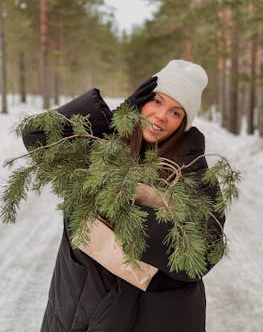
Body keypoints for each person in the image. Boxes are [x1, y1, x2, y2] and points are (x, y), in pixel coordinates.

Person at [22, 59, 225, 332]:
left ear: (183, 124)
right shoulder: (102, 146)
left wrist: (131, 207)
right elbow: (37, 137)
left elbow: (203, 255)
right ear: (140, 101)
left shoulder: (192, 173)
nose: (162, 116)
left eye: (176, 113)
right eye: (156, 101)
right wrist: (115, 117)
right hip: (76, 311)